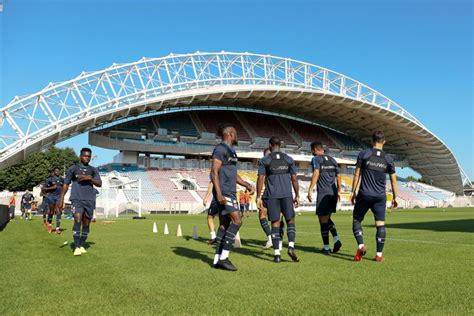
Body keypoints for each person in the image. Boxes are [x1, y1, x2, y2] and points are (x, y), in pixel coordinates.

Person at [210, 123, 254, 271]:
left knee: (224, 225)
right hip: (224, 193)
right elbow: (214, 172)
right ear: (229, 134)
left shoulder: (232, 151)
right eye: (235, 133)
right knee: (237, 221)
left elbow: (233, 174)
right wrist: (219, 193)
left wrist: (246, 185)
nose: (237, 136)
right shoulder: (220, 149)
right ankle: (224, 257)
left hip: (230, 191)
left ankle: (216, 259)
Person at [350, 131, 398, 262]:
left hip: (364, 194)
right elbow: (393, 181)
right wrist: (395, 197)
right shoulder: (388, 159)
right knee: (380, 225)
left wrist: (353, 192)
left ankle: (361, 246)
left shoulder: (364, 154)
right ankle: (379, 255)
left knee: (356, 221)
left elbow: (356, 175)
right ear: (384, 141)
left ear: (372, 141)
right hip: (380, 197)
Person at [256, 136, 300, 263]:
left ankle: (277, 255)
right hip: (286, 194)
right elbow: (294, 178)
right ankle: (291, 247)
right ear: (280, 145)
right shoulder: (288, 159)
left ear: (270, 145)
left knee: (275, 223)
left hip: (272, 196)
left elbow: (260, 179)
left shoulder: (265, 160)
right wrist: (297, 195)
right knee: (290, 220)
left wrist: (258, 196)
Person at [59, 148, 102, 256]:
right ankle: (77, 247)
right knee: (77, 220)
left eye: (88, 156)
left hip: (89, 199)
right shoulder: (73, 169)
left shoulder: (93, 170)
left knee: (86, 223)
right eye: (85, 156)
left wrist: (89, 179)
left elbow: (99, 183)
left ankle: (82, 244)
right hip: (76, 198)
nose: (87, 158)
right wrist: (61, 198)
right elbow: (66, 184)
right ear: (80, 156)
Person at [307, 142, 342, 255]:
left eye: (312, 150)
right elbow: (339, 175)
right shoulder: (332, 160)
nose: (311, 152)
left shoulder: (316, 159)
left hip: (323, 193)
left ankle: (327, 248)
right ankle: (336, 239)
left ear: (315, 150)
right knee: (327, 219)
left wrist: (310, 189)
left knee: (323, 221)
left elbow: (316, 172)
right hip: (333, 193)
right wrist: (339, 190)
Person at [42, 167, 65, 234]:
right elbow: (43, 188)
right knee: (51, 212)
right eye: (56, 171)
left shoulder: (62, 179)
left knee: (58, 212)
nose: (58, 172)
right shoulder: (49, 179)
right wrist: (52, 187)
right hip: (51, 197)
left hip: (59, 197)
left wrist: (62, 194)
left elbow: (65, 186)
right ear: (54, 172)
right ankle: (49, 225)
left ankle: (57, 228)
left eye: (58, 171)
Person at [203, 179, 217, 244]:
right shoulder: (228, 171)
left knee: (210, 217)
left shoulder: (215, 171)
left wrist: (206, 198)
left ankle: (213, 237)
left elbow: (211, 185)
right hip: (228, 198)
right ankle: (230, 237)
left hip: (217, 199)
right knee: (226, 218)